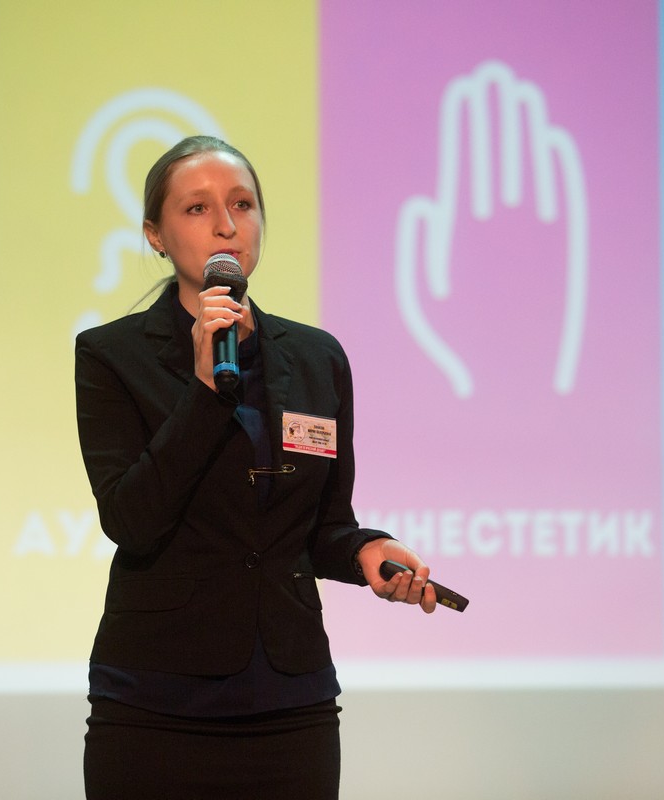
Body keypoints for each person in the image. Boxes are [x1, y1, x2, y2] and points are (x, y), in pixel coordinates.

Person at [74, 135, 437, 799]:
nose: (226, 225)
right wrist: (204, 390)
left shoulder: (317, 358)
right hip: (156, 704)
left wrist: (365, 551)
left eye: (243, 204)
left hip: (290, 702)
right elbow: (131, 519)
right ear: (155, 235)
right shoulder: (112, 356)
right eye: (197, 208)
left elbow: (323, 526)